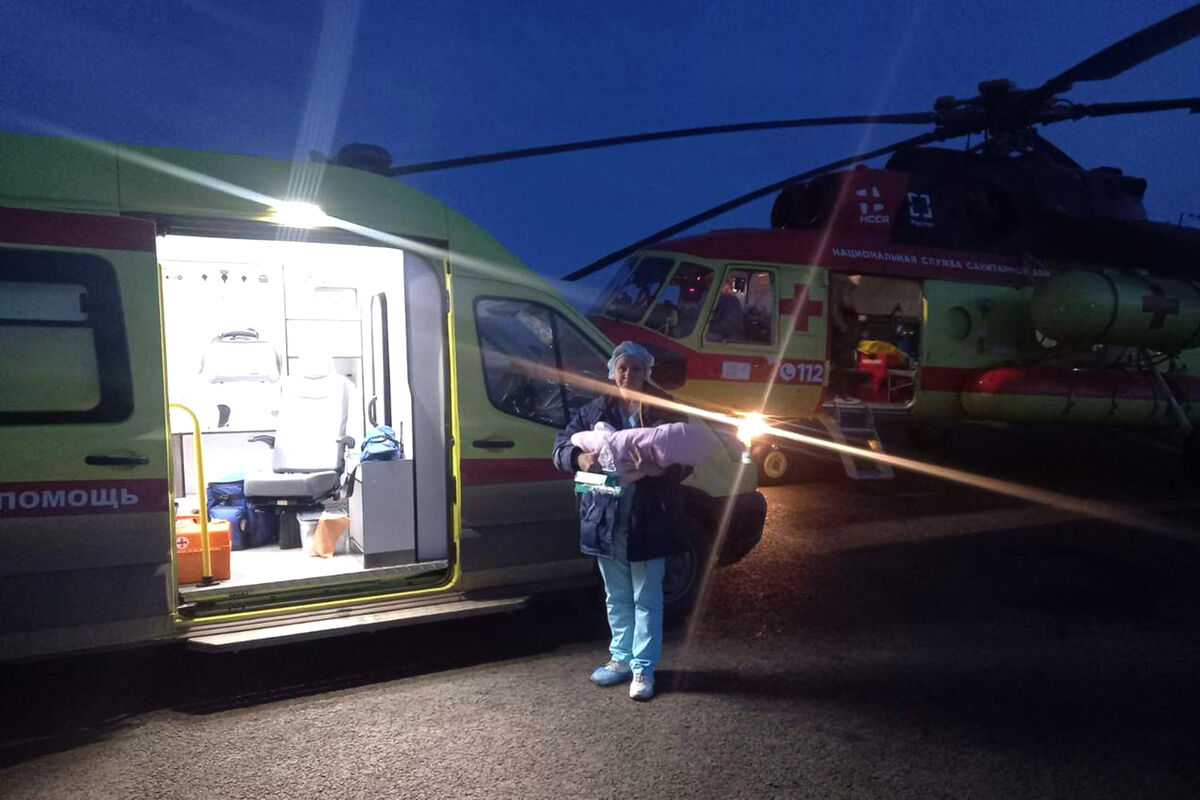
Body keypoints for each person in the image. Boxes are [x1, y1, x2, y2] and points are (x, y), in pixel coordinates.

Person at [552, 341, 691, 701]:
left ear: (648, 372)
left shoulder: (666, 411)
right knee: (616, 594)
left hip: (650, 517)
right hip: (605, 516)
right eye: (622, 368)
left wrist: (659, 467)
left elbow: (687, 459)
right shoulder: (593, 411)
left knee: (647, 595)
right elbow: (560, 447)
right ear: (613, 371)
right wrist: (579, 459)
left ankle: (643, 668)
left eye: (636, 368)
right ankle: (621, 659)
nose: (629, 375)